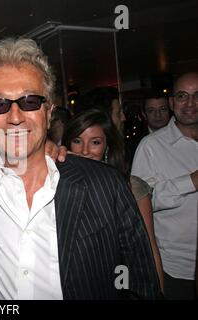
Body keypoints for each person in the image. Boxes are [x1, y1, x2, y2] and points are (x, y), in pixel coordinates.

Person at [0, 38, 161, 300]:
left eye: (29, 102)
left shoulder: (105, 185)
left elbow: (142, 285)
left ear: (48, 112)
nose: (15, 117)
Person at [62, 109, 164, 290]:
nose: (85, 151)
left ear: (107, 146)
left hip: (119, 282)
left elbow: (147, 252)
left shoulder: (131, 187)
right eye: (77, 141)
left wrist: (156, 292)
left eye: (95, 142)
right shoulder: (57, 186)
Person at [132, 72, 198, 300]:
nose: (190, 103)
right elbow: (139, 207)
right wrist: (191, 181)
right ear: (172, 102)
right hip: (176, 269)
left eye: (197, 96)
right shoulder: (151, 146)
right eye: (182, 96)